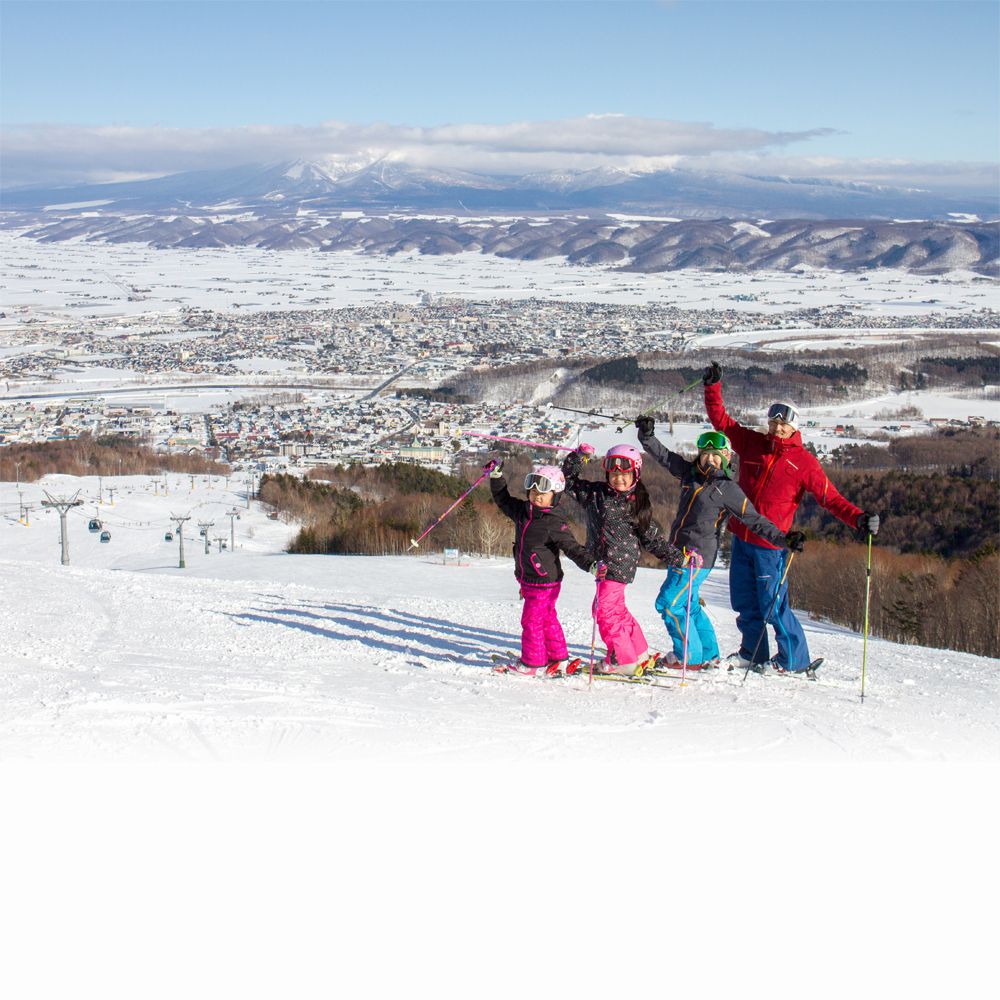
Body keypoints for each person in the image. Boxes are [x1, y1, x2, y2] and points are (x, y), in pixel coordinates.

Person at [701, 361, 881, 673]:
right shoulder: (754, 443)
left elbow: (830, 498)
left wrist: (859, 519)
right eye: (773, 422)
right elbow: (722, 422)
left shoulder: (804, 462)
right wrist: (712, 388)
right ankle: (752, 653)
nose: (777, 428)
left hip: (771, 544)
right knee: (745, 603)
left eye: (784, 424)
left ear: (795, 428)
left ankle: (793, 661)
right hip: (741, 537)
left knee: (773, 605)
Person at [635, 416, 804, 669]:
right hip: (676, 552)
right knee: (688, 605)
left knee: (669, 603)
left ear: (726, 458)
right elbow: (665, 456)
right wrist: (646, 436)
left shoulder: (728, 489)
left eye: (717, 455)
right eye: (706, 454)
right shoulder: (691, 474)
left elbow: (754, 520)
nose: (710, 459)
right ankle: (707, 653)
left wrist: (784, 538)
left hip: (695, 558)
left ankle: (687, 656)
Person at [561, 443, 683, 674]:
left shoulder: (637, 503)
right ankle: (638, 652)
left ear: (635, 473)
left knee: (604, 611)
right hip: (602, 563)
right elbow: (569, 481)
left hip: (618, 565)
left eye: (624, 475)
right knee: (616, 611)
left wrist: (677, 558)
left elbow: (651, 539)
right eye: (614, 474)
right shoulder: (596, 494)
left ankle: (622, 660)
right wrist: (578, 457)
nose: (618, 479)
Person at [487, 459, 595, 675]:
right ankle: (558, 657)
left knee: (531, 621)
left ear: (555, 496)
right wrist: (496, 477)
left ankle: (532, 662)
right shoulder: (523, 511)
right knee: (546, 618)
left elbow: (571, 547)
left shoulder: (553, 521)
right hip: (530, 579)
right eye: (533, 489)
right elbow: (503, 500)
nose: (536, 495)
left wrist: (590, 564)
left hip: (544, 581)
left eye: (543, 492)